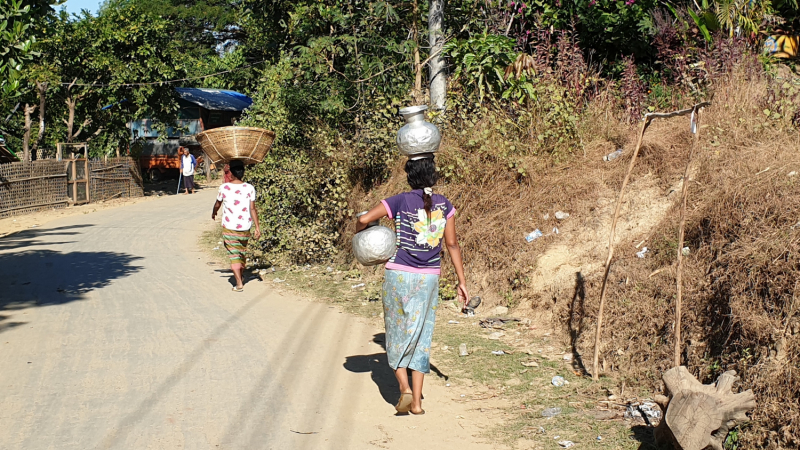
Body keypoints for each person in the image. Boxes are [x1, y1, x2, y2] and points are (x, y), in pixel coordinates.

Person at [355, 154, 469, 415]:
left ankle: (404, 388)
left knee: (396, 334)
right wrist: (462, 282)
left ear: (409, 177)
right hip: (429, 278)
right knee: (421, 337)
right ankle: (417, 403)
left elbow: (364, 219)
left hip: (399, 276)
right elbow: (452, 244)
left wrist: (358, 235)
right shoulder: (445, 205)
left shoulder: (399, 200)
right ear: (434, 176)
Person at [211, 160, 261, 292]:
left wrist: (214, 212)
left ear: (231, 173)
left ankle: (239, 283)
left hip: (229, 227)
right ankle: (241, 275)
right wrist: (257, 227)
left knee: (234, 255)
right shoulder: (249, 188)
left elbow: (217, 203)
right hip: (245, 228)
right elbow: (253, 209)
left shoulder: (224, 188)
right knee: (241, 253)